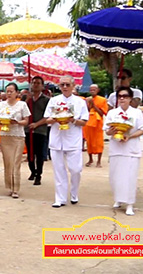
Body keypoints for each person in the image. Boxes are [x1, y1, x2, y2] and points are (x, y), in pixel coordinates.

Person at [44, 75, 89, 208]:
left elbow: (84, 121)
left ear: (73, 86)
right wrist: (56, 118)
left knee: (75, 169)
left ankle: (74, 193)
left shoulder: (80, 102)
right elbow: (47, 119)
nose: (64, 87)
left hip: (73, 139)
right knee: (59, 170)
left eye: (67, 85)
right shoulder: (53, 100)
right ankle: (60, 198)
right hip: (57, 139)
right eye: (62, 85)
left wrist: (72, 120)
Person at [104, 86, 143, 216]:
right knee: (116, 176)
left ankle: (129, 204)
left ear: (130, 99)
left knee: (129, 177)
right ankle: (118, 199)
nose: (122, 99)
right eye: (120, 96)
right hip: (116, 148)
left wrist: (129, 136)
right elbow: (106, 130)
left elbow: (142, 129)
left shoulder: (136, 113)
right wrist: (111, 132)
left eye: (125, 96)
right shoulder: (112, 113)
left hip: (131, 149)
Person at [0, 83, 31, 199]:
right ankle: (9, 186)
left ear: (17, 92)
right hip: (5, 135)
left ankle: (16, 188)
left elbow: (26, 121)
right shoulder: (1, 105)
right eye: (7, 91)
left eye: (11, 91)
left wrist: (17, 122)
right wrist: (2, 121)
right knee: (8, 162)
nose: (9, 93)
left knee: (16, 162)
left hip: (17, 135)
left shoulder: (22, 104)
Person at [24, 76, 50, 186]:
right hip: (27, 129)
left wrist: (37, 124)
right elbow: (21, 110)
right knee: (30, 153)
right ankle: (32, 171)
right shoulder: (26, 98)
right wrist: (27, 100)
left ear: (42, 86)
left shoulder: (46, 100)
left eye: (38, 83)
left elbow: (48, 116)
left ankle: (38, 174)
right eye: (33, 83)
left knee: (39, 154)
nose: (35, 85)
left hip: (40, 129)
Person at [84, 84, 108, 168]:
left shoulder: (102, 100)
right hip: (89, 123)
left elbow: (102, 113)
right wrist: (88, 104)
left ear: (98, 90)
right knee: (89, 141)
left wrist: (93, 105)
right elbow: (85, 111)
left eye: (94, 89)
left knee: (99, 142)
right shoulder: (87, 99)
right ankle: (90, 159)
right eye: (91, 89)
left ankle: (99, 161)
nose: (92, 91)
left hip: (98, 124)